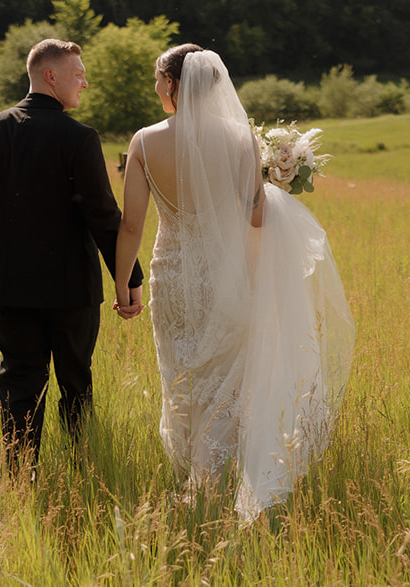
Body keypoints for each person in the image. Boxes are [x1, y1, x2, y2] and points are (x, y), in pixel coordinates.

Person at [113, 44, 354, 520]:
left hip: (174, 275)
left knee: (182, 374)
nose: (157, 87)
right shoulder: (241, 138)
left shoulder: (145, 141)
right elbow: (256, 217)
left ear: (171, 83)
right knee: (228, 378)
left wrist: (124, 286)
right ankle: (214, 478)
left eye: (159, 79)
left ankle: (195, 481)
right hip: (229, 275)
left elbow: (131, 227)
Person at [0, 38, 145, 472]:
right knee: (75, 380)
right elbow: (102, 214)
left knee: (19, 379)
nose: (84, 81)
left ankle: (18, 473)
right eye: (77, 73)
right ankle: (83, 465)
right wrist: (129, 280)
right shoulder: (79, 137)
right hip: (69, 290)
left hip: (7, 286)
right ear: (50, 76)